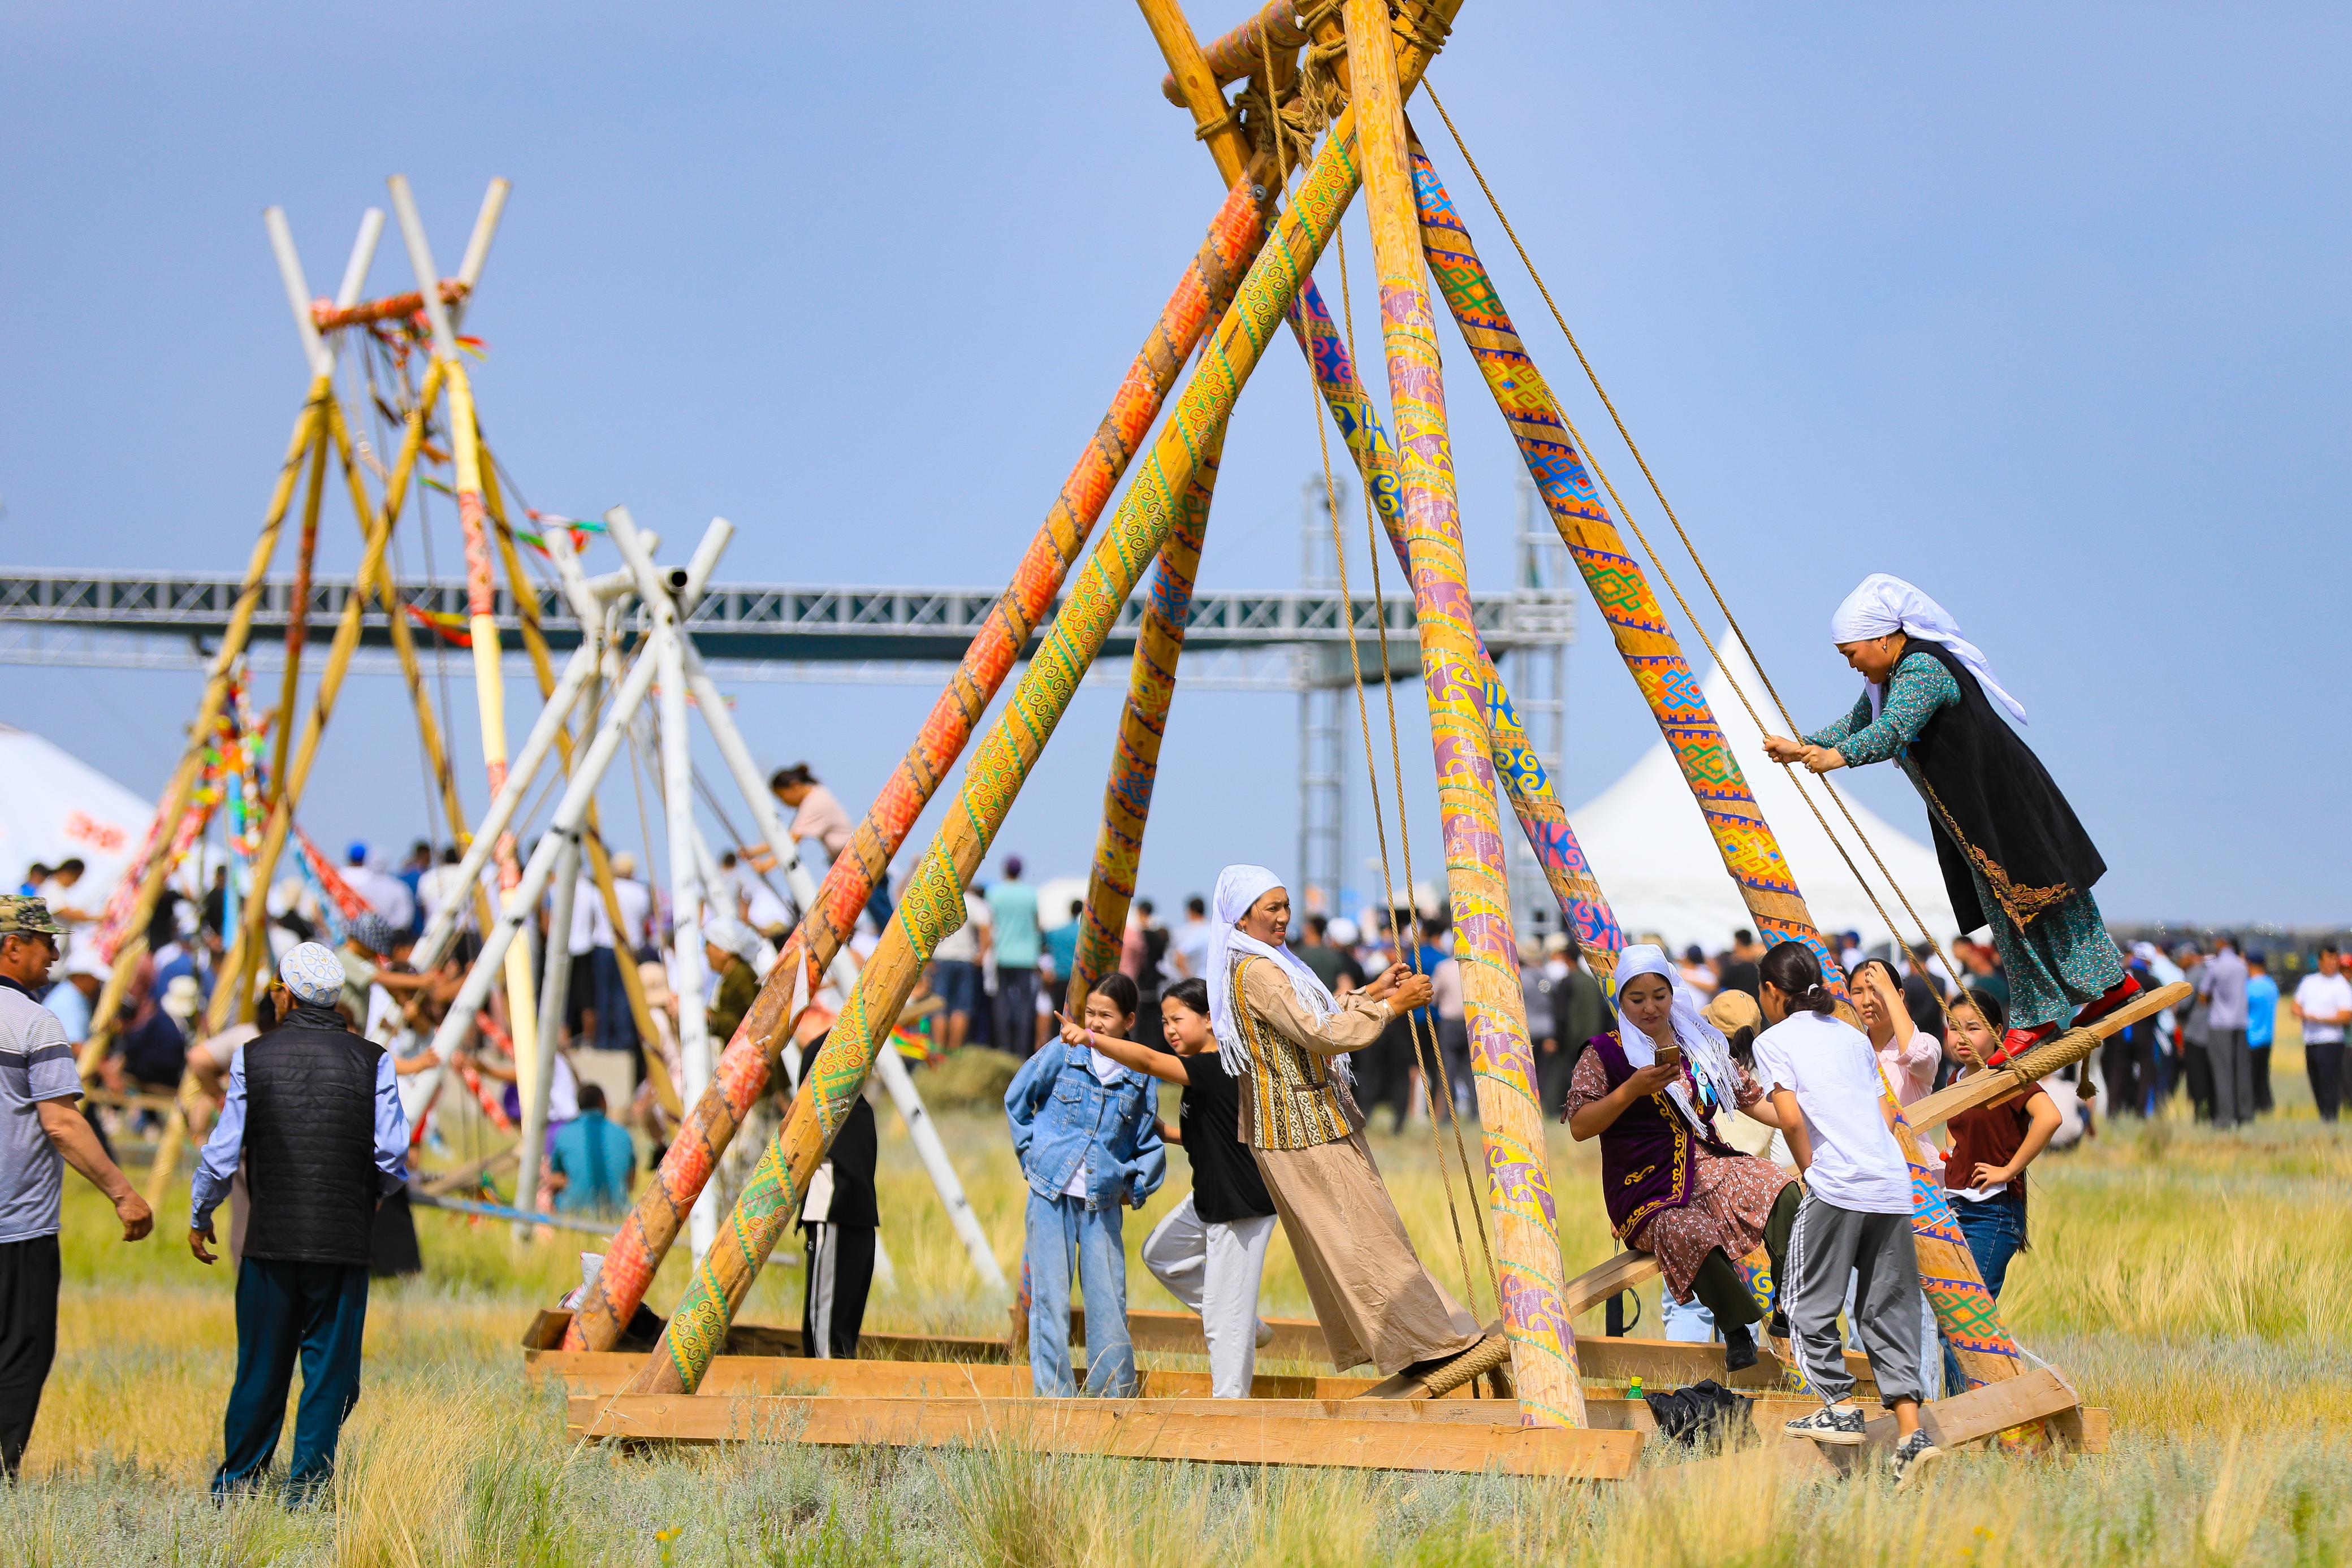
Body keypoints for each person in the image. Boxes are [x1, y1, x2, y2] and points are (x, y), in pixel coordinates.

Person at [1763, 575, 2137, 1063]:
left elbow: (1892, 730)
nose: (1851, 664)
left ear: (1882, 638)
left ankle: (2059, 1006)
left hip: (2001, 803)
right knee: (2020, 904)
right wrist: (1804, 747)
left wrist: (1838, 759)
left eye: (1851, 653)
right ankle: (2100, 986)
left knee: (2041, 897)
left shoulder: (1921, 668)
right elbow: (1859, 724)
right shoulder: (1891, 677)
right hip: (1976, 814)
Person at [1208, 865, 1502, 1391]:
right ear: (1243, 916)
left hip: (1313, 1122)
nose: (1282, 916)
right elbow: (1320, 1032)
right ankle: (1425, 1342)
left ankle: (1421, 1338)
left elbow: (1314, 1016)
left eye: (1284, 905)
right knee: (1363, 1239)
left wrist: (1372, 990)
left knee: (1368, 1234)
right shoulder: (1257, 971)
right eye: (1270, 908)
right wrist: (1391, 1007)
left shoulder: (1265, 964)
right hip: (1301, 1129)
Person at [190, 942, 407, 1501]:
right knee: (330, 1374)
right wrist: (371, 1199)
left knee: (260, 1367)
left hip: (269, 1241)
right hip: (342, 1242)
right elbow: (392, 1154)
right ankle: (306, 1491)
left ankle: (236, 1487)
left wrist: (201, 1212)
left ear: (285, 994)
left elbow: (221, 1152)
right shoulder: (374, 1057)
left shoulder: (252, 1055)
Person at [1750, 939, 1940, 1489]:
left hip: (1836, 1183)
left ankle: (1836, 1404)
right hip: (1889, 1184)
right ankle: (1911, 1437)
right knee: (1886, 1311)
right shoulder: (1851, 1036)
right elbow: (1869, 1106)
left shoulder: (1774, 1040)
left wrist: (1809, 1168)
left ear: (1770, 991)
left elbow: (1789, 1116)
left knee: (1803, 1298)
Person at [1561, 944, 1796, 1372]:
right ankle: (1737, 1327)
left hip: (1707, 1165)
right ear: (1620, 1000)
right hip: (1643, 1184)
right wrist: (1631, 1090)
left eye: (1660, 996)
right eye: (1637, 999)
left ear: (1673, 994)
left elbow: (1753, 1101)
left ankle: (1788, 1304)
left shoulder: (1699, 1043)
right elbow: (1580, 1125)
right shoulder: (1604, 1054)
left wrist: (1808, 1118)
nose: (1650, 1008)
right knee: (1685, 1226)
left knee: (1779, 1186)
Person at [1065, 976, 1278, 1399]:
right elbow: (1214, 1133)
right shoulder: (1203, 1073)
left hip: (1242, 1205)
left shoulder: (1216, 1066)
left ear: (1211, 1020)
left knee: (1221, 1322)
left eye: (1178, 1020)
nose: (1170, 1031)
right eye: (1164, 1022)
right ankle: (1246, 1323)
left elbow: (1145, 1061)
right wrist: (1164, 1132)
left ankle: (1229, 1411)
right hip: (1210, 1200)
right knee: (1161, 1253)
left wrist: (1090, 1038)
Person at [0, 898, 153, 1478]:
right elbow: (61, 1122)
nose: (56, 954)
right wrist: (124, 1192)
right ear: (13, 946)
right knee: (20, 1352)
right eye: (45, 942)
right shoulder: (35, 1022)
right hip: (18, 1226)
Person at [1005, 972, 1164, 1396]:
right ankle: (1054, 1400)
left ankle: (1112, 1396)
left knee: (1108, 1301)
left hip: (1103, 1201)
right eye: (1090, 1013)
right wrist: (1030, 1156)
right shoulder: (1063, 1052)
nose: (1094, 1022)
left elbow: (1148, 1141)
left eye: (1106, 1016)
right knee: (1050, 1300)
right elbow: (1017, 1100)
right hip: (1050, 1194)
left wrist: (1137, 1186)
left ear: (1129, 1021)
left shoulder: (1140, 1074)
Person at [788, 1038, 878, 1359]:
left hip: (846, 1216)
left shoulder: (845, 1108)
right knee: (833, 1334)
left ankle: (831, 1396)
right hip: (844, 1217)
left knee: (834, 1332)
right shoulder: (839, 1108)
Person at [764, 764, 890, 931]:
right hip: (857, 862)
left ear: (794, 787)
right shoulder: (817, 795)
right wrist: (755, 853)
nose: (785, 804)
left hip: (861, 863)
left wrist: (766, 866)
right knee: (879, 914)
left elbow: (792, 840)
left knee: (882, 916)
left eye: (782, 797)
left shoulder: (814, 803)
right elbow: (787, 838)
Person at [1853, 958, 1940, 1107]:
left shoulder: (1927, 1042)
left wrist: (1889, 993)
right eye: (1857, 992)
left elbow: (1918, 1058)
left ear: (1899, 995)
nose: (1867, 1001)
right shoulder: (1852, 1050)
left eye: (1875, 990)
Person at [544, 1082, 635, 1218]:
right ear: (603, 1103)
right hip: (619, 1214)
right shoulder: (623, 1134)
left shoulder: (564, 1133)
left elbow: (556, 1176)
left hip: (572, 1215)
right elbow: (630, 1184)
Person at [988, 856, 1043, 1055]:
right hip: (1027, 957)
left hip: (1003, 954)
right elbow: (1037, 923)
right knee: (1024, 1006)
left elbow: (991, 923)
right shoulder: (1030, 894)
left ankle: (1004, 1048)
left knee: (1002, 1003)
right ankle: (1022, 1049)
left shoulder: (995, 893)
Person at [2200, 935, 2252, 1128]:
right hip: (2240, 1022)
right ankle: (2245, 1115)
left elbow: (2203, 995)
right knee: (2242, 1071)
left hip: (2221, 1023)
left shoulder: (2216, 966)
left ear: (2223, 945)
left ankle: (2225, 1117)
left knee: (2223, 1072)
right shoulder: (2242, 966)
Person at [2294, 947, 2351, 1124]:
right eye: (2329, 960)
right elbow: (2295, 1006)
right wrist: (2304, 1015)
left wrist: (2319, 1018)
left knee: (2330, 1083)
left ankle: (2331, 1119)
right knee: (2316, 1081)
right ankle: (2323, 1117)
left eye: (2335, 960)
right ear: (2320, 962)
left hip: (2332, 1041)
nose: (2332, 964)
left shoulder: (2341, 985)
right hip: (2311, 1040)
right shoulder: (2309, 982)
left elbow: (2346, 1016)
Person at [931, 887, 991, 1053]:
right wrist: (982, 954)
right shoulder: (974, 902)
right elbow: (986, 928)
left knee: (939, 1007)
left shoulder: (940, 899)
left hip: (941, 958)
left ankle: (938, 1054)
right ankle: (954, 1055)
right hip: (966, 960)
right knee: (962, 1008)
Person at [2244, 950, 2278, 1116]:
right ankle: (2266, 1107)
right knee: (2263, 1076)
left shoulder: (2250, 988)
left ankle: (2256, 1107)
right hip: (2267, 1038)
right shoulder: (2271, 985)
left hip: (2251, 1038)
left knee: (2250, 1078)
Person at [1716, 930, 1764, 1002]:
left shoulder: (1735, 967)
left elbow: (1719, 985)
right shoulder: (1760, 967)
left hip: (1736, 1006)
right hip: (1756, 1008)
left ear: (1738, 942)